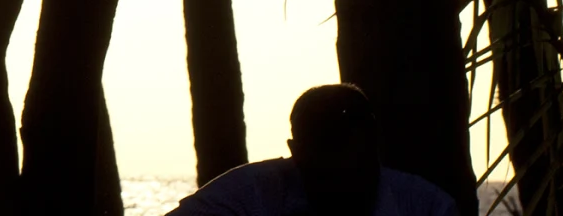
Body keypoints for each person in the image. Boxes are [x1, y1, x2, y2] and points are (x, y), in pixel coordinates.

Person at [173, 85, 466, 216]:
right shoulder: (251, 192)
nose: (339, 169)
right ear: (295, 151)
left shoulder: (426, 207)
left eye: (347, 149)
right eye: (325, 151)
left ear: (372, 145)